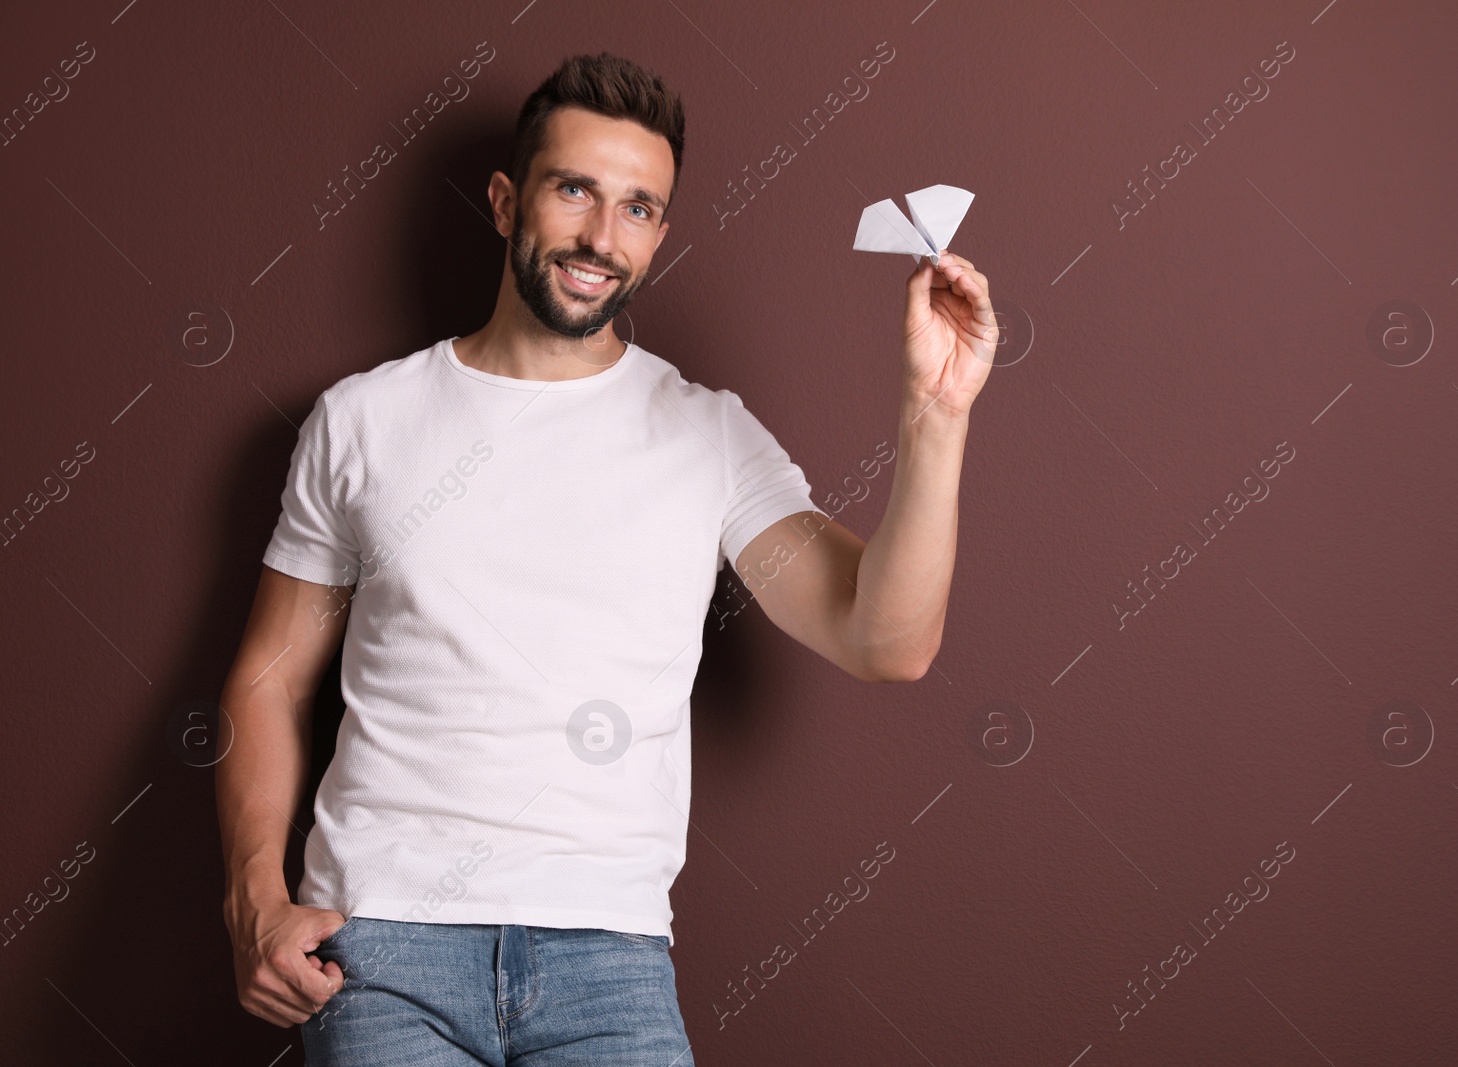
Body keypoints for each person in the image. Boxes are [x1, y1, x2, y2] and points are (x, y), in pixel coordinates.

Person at [216, 51, 995, 1066]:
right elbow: (268, 679)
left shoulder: (707, 433)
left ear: (660, 234)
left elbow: (882, 639)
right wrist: (256, 903)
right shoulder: (363, 418)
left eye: (637, 208)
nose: (599, 236)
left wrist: (934, 419)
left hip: (608, 955)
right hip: (380, 943)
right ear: (505, 201)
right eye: (574, 189)